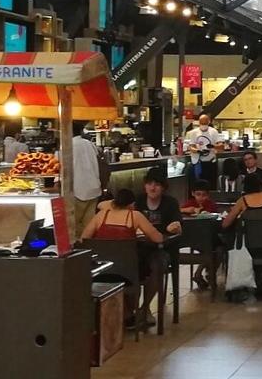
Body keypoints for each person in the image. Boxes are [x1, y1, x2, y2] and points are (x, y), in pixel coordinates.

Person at [81, 189, 163, 327]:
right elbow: (158, 238)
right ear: (132, 204)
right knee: (150, 266)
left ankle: (126, 314)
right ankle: (135, 312)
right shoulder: (135, 215)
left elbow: (84, 238)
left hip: (102, 272)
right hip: (128, 272)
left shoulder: (101, 215)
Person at [134, 169, 181, 321]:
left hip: (162, 249)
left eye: (157, 185)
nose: (152, 188)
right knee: (126, 265)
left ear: (163, 187)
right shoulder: (138, 201)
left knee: (157, 267)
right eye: (149, 184)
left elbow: (177, 225)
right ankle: (129, 312)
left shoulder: (171, 203)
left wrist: (174, 227)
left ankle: (144, 307)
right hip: (139, 247)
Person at [66, 121, 102, 237]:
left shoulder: (67, 145)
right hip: (94, 189)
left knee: (72, 228)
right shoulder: (89, 144)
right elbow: (99, 160)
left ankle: (77, 251)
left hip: (77, 191)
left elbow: (63, 168)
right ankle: (88, 250)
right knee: (89, 228)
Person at [185, 114, 223, 189]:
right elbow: (190, 147)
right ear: (199, 123)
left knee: (211, 186)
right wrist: (198, 151)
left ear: (209, 122)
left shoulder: (213, 131)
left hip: (211, 162)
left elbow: (221, 146)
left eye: (205, 123)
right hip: (198, 162)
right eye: (202, 123)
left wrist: (213, 146)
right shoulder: (194, 132)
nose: (203, 125)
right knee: (198, 186)